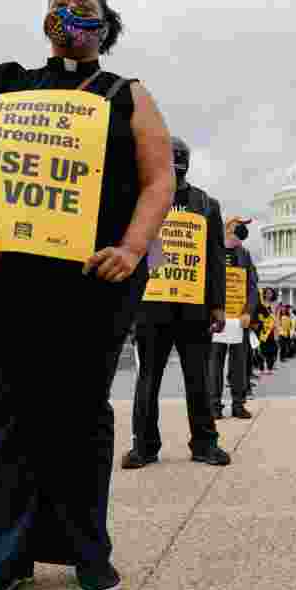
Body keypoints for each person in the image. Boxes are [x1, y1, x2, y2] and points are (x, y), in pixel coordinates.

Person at [0, 0, 175, 590]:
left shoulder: (125, 93)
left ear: (106, 26)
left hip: (90, 279)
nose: (68, 12)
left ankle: (87, 552)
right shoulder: (4, 85)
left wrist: (134, 246)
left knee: (81, 416)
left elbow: (158, 177)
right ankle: (3, 557)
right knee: (6, 414)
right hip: (2, 277)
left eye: (83, 7)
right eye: (58, 2)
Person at [123, 135, 230, 471]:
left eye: (179, 159)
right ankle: (144, 446)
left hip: (193, 306)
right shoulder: (142, 201)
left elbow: (214, 258)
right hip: (152, 304)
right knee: (147, 380)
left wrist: (217, 305)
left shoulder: (206, 204)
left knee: (198, 379)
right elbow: (134, 252)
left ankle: (205, 443)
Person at [209, 217, 258, 420]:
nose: (235, 243)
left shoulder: (244, 255)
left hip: (238, 318)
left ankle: (238, 404)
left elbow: (252, 287)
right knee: (215, 363)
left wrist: (248, 311)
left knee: (239, 364)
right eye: (233, 237)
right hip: (216, 316)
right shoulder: (213, 251)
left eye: (238, 241)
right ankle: (214, 405)